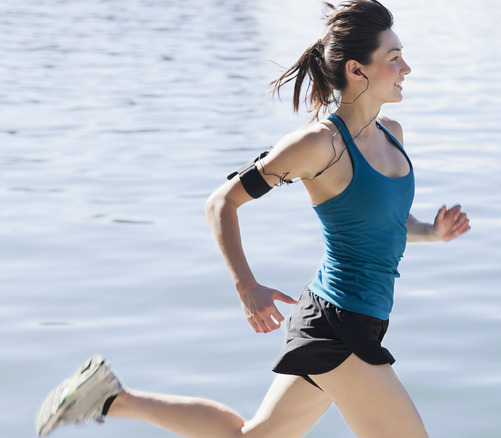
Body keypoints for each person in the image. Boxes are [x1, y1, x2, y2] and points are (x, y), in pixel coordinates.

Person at [34, 1, 470, 437]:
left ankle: (109, 397)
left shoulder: (392, 133)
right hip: (340, 324)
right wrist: (247, 285)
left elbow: (382, 225)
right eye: (394, 59)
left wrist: (432, 232)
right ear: (358, 70)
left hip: (353, 318)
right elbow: (222, 202)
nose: (406, 68)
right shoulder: (320, 145)